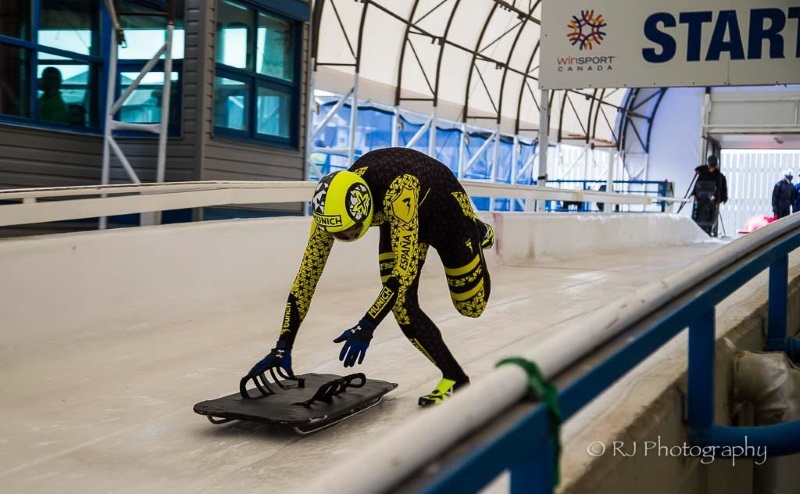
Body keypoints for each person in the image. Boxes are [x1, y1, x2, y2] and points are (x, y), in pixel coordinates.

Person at [245, 148, 494, 407]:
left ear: (364, 210)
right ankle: (454, 376)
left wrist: (367, 325)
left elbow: (402, 275)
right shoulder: (328, 211)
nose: (343, 237)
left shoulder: (399, 189)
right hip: (399, 216)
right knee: (402, 306)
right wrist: (283, 344)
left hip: (445, 212)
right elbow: (307, 278)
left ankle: (478, 230)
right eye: (336, 233)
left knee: (471, 307)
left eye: (349, 231)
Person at [691, 155, 728, 236]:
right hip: (701, 203)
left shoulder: (719, 177)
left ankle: (707, 232)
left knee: (708, 221)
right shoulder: (703, 174)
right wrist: (694, 194)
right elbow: (696, 186)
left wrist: (722, 198)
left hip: (711, 203)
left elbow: (722, 189)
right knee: (701, 222)